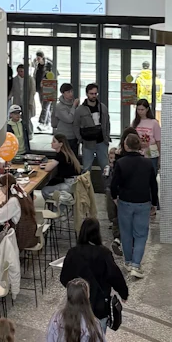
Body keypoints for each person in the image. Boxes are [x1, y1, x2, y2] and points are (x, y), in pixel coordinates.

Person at [59, 217, 128, 328]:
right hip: (99, 307)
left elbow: (64, 278)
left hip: (77, 306)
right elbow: (115, 275)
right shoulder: (104, 253)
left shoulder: (72, 253)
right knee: (98, 341)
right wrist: (123, 293)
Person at [108, 130, 158, 279]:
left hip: (125, 202)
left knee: (126, 233)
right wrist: (154, 203)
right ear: (140, 146)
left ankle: (128, 262)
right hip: (143, 202)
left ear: (125, 145)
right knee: (141, 234)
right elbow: (153, 185)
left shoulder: (121, 163)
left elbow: (114, 184)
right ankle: (136, 265)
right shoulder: (148, 163)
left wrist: (115, 197)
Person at [77, 81, 111, 174]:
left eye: (95, 93)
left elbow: (107, 123)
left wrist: (106, 137)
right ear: (87, 94)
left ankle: (107, 187)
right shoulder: (80, 109)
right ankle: (85, 188)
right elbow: (76, 125)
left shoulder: (102, 107)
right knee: (86, 168)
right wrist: (80, 139)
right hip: (88, 142)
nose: (94, 96)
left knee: (105, 167)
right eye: (91, 94)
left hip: (101, 141)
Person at [52, 82, 81, 164]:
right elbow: (69, 119)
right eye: (68, 92)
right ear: (63, 93)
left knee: (74, 159)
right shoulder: (59, 106)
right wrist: (74, 107)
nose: (71, 94)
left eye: (72, 91)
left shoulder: (74, 104)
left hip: (74, 136)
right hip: (64, 137)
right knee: (65, 159)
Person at [131, 99, 162, 166]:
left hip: (151, 153)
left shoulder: (154, 123)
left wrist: (159, 157)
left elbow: (158, 141)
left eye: (142, 110)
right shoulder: (135, 122)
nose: (140, 112)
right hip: (138, 153)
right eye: (138, 109)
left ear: (147, 109)